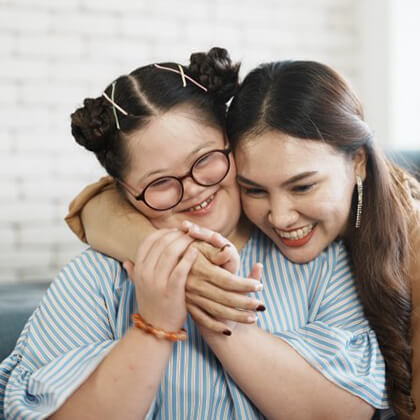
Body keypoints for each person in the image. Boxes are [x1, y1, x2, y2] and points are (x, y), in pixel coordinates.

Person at [0, 49, 388, 420]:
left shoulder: (321, 261)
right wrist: (154, 326)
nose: (193, 190)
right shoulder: (96, 279)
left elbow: (346, 411)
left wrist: (223, 318)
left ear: (232, 145)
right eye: (161, 182)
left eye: (205, 160)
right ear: (122, 191)